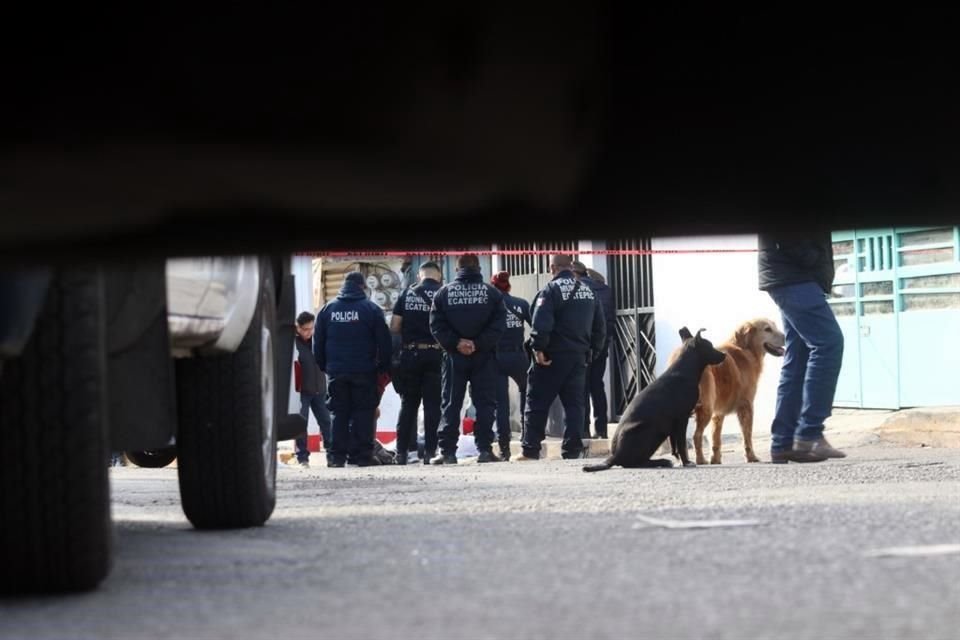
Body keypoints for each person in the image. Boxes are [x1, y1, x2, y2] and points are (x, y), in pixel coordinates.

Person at [758, 231, 847, 463]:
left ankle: (784, 443)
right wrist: (811, 257)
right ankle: (810, 433)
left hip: (793, 275)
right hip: (794, 274)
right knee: (828, 343)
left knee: (798, 356)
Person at [518, 254, 606, 460]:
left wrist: (538, 349)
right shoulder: (589, 291)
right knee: (575, 405)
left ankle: (530, 450)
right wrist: (592, 352)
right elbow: (600, 327)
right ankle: (572, 450)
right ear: (571, 268)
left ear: (552, 268)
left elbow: (541, 323)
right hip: (578, 357)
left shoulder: (550, 290)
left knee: (537, 403)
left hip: (551, 358)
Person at [429, 253, 506, 464]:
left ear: (457, 270)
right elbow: (499, 325)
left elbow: (436, 325)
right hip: (484, 356)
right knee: (485, 403)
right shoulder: (492, 293)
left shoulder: (443, 293)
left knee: (451, 403)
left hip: (454, 357)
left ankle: (447, 452)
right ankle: (485, 450)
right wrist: (478, 344)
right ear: (479, 269)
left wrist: (457, 343)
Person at [314, 271, 394, 467]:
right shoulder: (371, 309)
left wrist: (325, 366)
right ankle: (363, 456)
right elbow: (384, 341)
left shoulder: (327, 310)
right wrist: (383, 366)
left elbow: (318, 343)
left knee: (338, 414)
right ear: (363, 287)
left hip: (336, 371)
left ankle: (336, 458)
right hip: (364, 371)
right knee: (364, 413)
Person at [390, 261, 444, 465]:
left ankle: (402, 453)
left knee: (408, 405)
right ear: (438, 276)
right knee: (432, 406)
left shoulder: (407, 294)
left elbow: (395, 326)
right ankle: (430, 452)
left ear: (419, 276)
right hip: (435, 354)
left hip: (411, 355)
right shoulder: (443, 293)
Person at [490, 270, 531, 461]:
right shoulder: (521, 304)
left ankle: (504, 448)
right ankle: (526, 436)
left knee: (501, 404)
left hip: (496, 356)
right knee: (527, 393)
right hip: (518, 355)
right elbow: (537, 326)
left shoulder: (489, 305)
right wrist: (531, 346)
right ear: (509, 286)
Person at [294, 311, 332, 468]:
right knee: (301, 425)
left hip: (320, 390)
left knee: (326, 422)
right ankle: (302, 458)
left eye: (311, 328)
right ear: (298, 328)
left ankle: (332, 455)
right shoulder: (293, 344)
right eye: (305, 329)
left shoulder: (319, 341)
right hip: (301, 392)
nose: (308, 332)